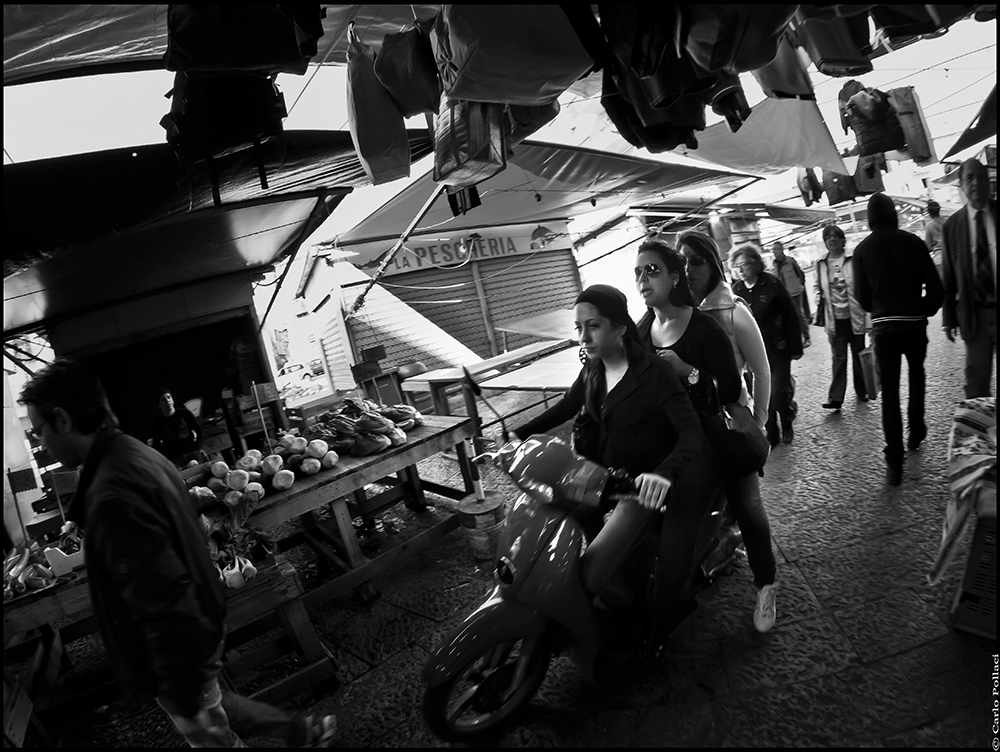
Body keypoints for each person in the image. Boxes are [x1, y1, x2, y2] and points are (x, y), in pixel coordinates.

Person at [19, 359, 337, 748]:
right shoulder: (133, 453)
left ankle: (301, 731)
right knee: (213, 711)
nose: (41, 443)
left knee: (210, 730)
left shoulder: (111, 492)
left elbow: (160, 588)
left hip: (176, 648)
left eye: (39, 432)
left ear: (63, 420)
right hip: (193, 631)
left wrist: (172, 674)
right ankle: (300, 731)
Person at [512, 284, 706, 652]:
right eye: (579, 327)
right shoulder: (593, 370)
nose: (583, 337)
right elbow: (567, 407)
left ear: (619, 327)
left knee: (594, 574)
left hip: (637, 489)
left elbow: (691, 432)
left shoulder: (654, 374)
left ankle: (647, 622)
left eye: (594, 326)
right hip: (598, 478)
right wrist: (517, 432)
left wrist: (662, 473)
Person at [644, 235, 779, 633]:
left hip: (728, 423)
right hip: (688, 434)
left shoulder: (732, 312)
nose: (688, 269)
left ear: (712, 266)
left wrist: (758, 419)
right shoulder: (662, 316)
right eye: (681, 262)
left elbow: (761, 369)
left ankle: (766, 583)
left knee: (748, 504)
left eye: (696, 262)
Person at [853, 193, 944, 485]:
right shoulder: (913, 242)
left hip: (884, 328)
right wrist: (923, 309)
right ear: (893, 214)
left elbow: (863, 297)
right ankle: (916, 430)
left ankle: (895, 462)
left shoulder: (862, 251)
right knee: (917, 375)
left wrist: (880, 308)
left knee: (889, 391)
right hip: (914, 325)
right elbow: (935, 286)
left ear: (870, 218)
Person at [730, 243, 804, 447]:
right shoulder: (735, 291)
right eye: (736, 266)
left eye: (744, 264)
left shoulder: (772, 283)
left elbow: (790, 315)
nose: (740, 270)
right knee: (762, 395)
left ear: (755, 263)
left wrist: (796, 347)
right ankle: (772, 431)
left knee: (778, 394)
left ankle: (787, 418)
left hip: (777, 349)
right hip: (752, 354)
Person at [941, 158, 996, 398]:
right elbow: (949, 276)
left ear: (989, 181)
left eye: (980, 176)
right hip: (976, 316)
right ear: (961, 185)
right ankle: (980, 434)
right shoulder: (952, 227)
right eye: (969, 178)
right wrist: (949, 317)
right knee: (975, 387)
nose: (975, 182)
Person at [814, 224, 871, 411]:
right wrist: (818, 299)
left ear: (842, 240)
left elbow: (864, 285)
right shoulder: (821, 264)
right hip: (834, 319)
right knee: (838, 358)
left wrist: (869, 316)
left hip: (855, 315)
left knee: (858, 355)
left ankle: (862, 390)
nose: (832, 240)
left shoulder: (853, 260)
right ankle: (836, 398)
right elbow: (817, 287)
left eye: (835, 237)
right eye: (828, 238)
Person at [771, 241, 812, 347]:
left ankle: (807, 337)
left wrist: (801, 286)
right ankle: (796, 339)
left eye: (776, 249)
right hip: (784, 295)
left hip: (795, 293)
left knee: (799, 314)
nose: (774, 252)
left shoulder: (790, 261)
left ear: (782, 250)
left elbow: (800, 274)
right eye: (773, 250)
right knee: (789, 317)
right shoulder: (775, 264)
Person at [151, 387, 204, 467]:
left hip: (192, 454)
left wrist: (197, 449)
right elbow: (156, 445)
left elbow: (199, 431)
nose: (167, 401)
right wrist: (166, 460)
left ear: (172, 399)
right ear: (159, 405)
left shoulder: (185, 414)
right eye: (163, 399)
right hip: (174, 460)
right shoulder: (158, 423)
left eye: (169, 397)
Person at [925, 199, 944, 274]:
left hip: (939, 256)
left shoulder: (929, 226)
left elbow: (928, 246)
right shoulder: (947, 221)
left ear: (929, 212)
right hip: (952, 253)